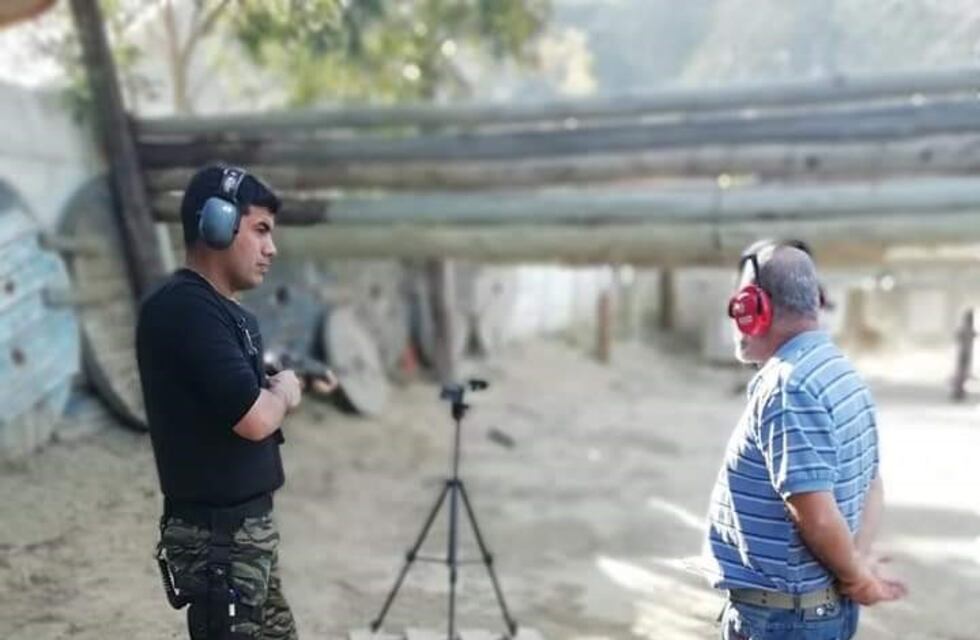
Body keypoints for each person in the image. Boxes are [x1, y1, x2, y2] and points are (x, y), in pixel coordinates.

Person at [137, 164, 334, 639]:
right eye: (260, 229)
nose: (272, 247)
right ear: (217, 225)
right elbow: (252, 419)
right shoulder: (187, 308)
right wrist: (284, 392)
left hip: (241, 533)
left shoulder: (221, 312)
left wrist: (281, 381)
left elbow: (234, 392)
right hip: (219, 541)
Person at [703, 243, 906, 640]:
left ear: (752, 307)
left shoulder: (787, 387)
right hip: (815, 612)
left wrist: (857, 577)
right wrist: (857, 563)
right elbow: (872, 484)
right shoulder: (840, 372)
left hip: (786, 622)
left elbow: (814, 513)